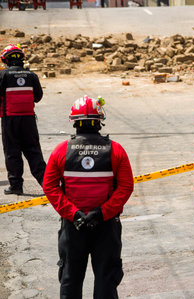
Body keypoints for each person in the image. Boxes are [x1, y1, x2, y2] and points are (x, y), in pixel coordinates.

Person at [43, 95, 134, 299]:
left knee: (70, 279)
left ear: (74, 122)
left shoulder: (61, 151)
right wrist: (101, 213)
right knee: (105, 280)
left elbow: (50, 186)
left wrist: (74, 214)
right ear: (100, 121)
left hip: (72, 227)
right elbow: (126, 187)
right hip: (106, 226)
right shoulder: (116, 150)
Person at [0, 44, 47, 195]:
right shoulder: (32, 75)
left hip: (10, 120)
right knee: (34, 152)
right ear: (22, 59)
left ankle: (16, 186)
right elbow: (38, 97)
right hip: (28, 120)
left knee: (12, 152)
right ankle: (48, 185)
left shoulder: (3, 75)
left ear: (5, 60)